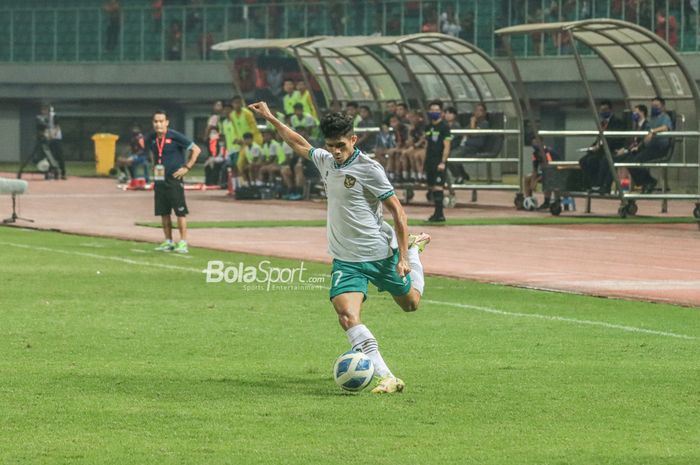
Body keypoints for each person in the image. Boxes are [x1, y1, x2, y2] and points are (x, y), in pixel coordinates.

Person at [249, 100, 431, 394]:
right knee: (346, 316)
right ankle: (386, 376)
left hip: (380, 254)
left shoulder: (370, 169)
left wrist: (404, 258)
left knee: (411, 304)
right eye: (331, 145)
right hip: (346, 260)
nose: (335, 151)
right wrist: (270, 118)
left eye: (341, 145)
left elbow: (398, 212)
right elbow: (297, 142)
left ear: (353, 140)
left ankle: (413, 251)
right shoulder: (326, 161)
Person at [147, 110, 201, 254]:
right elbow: (153, 153)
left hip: (174, 179)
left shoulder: (175, 136)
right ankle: (168, 241)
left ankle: (183, 242)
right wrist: (153, 166)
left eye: (161, 121)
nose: (158, 124)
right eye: (155, 121)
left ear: (166, 122)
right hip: (159, 179)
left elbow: (196, 149)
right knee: (163, 212)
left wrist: (187, 167)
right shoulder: (152, 138)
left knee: (180, 212)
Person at [621, 97, 673, 193]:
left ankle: (649, 182)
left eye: (656, 106)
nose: (654, 108)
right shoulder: (652, 120)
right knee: (628, 161)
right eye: (652, 106)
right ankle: (646, 182)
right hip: (648, 147)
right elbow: (645, 134)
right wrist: (638, 146)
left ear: (663, 107)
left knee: (636, 162)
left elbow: (665, 127)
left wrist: (653, 132)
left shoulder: (665, 117)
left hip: (659, 148)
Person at [578, 99, 626, 194]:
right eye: (601, 110)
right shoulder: (602, 123)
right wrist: (593, 147)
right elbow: (599, 139)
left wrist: (601, 145)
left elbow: (615, 138)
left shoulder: (617, 122)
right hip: (601, 149)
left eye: (605, 110)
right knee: (584, 161)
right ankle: (591, 184)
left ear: (610, 110)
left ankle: (603, 185)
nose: (602, 112)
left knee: (603, 160)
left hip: (612, 149)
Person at [424, 101, 452, 222]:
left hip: (438, 161)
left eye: (436, 110)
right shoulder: (428, 127)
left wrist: (443, 162)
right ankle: (436, 213)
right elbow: (427, 144)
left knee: (438, 186)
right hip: (430, 160)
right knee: (432, 186)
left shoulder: (444, 127)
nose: (434, 112)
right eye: (432, 110)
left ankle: (440, 214)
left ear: (441, 112)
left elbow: (447, 146)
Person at [524, 137, 561, 210]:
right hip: (545, 173)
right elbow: (535, 169)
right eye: (533, 143)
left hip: (555, 172)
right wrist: (533, 181)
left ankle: (548, 201)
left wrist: (537, 180)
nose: (534, 145)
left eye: (536, 143)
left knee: (548, 178)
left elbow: (550, 169)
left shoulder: (547, 152)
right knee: (527, 178)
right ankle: (529, 200)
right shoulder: (535, 154)